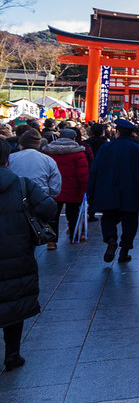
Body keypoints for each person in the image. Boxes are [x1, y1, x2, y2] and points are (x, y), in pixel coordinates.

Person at [0, 139, 58, 371]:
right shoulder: (21, 185)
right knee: (13, 300)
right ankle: (12, 353)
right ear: (7, 158)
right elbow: (49, 208)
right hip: (16, 252)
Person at [86, 118, 139, 263]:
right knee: (130, 222)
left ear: (117, 132)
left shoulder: (106, 148)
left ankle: (111, 240)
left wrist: (90, 192)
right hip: (131, 192)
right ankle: (124, 251)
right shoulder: (138, 149)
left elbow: (94, 171)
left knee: (108, 218)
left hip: (108, 191)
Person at [9, 129, 61, 249]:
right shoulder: (47, 160)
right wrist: (49, 196)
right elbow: (55, 184)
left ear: (21, 144)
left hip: (15, 199)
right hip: (40, 199)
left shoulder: (11, 158)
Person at [43, 129, 91, 243]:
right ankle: (74, 236)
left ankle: (51, 241)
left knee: (54, 215)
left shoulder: (48, 152)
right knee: (73, 213)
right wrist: (86, 189)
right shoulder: (78, 153)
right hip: (73, 189)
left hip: (54, 188)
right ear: (74, 139)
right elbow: (82, 174)